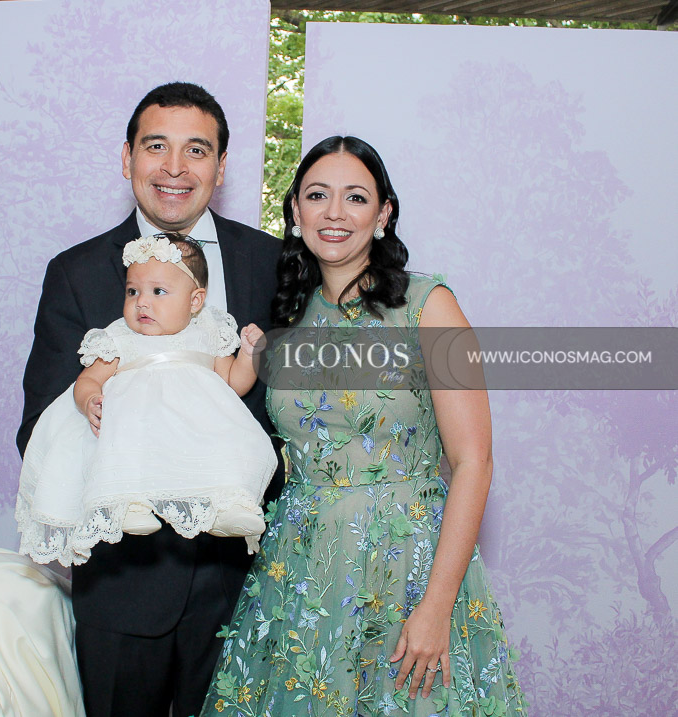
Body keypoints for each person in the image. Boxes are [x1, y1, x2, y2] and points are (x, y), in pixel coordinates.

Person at [199, 136, 527, 716]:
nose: (334, 212)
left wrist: (436, 606)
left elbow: (473, 462)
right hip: (301, 573)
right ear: (295, 211)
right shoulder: (283, 319)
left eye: (355, 197)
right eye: (317, 195)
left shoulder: (428, 305)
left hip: (408, 570)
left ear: (383, 214)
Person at [17, 82, 283, 717]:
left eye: (197, 150)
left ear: (221, 166)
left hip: (250, 581)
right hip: (124, 583)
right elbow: (40, 426)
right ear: (128, 157)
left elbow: (297, 412)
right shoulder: (77, 272)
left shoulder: (274, 262)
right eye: (156, 146)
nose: (174, 167)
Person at [16, 234, 277, 565]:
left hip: (197, 429)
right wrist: (90, 399)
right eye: (132, 291)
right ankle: (128, 504)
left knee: (232, 441)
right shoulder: (120, 336)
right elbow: (88, 379)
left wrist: (249, 356)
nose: (141, 302)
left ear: (195, 301)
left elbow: (233, 384)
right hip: (142, 429)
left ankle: (230, 505)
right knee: (123, 439)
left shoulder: (209, 330)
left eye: (158, 292)